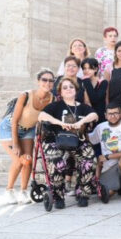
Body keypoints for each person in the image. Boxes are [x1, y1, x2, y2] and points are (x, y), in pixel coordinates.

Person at [38, 77, 99, 208]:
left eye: (71, 87)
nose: (68, 89)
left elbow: (94, 115)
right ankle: (58, 196)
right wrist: (60, 123)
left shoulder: (82, 107)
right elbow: (41, 116)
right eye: (65, 87)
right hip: (55, 140)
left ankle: (82, 193)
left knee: (89, 159)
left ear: (76, 90)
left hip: (76, 140)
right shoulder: (55, 106)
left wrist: (80, 122)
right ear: (60, 91)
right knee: (56, 162)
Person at [0, 69, 55, 204]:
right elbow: (14, 121)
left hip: (28, 130)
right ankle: (9, 190)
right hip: (9, 128)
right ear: (38, 81)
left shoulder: (51, 99)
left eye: (51, 80)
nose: (47, 83)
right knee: (19, 160)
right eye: (44, 80)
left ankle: (23, 192)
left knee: (28, 160)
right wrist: (16, 143)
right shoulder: (25, 95)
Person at [89, 102, 121, 199]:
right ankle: (119, 186)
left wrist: (108, 156)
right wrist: (79, 126)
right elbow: (89, 139)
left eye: (116, 113)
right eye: (110, 114)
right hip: (108, 167)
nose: (113, 116)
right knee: (104, 196)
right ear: (105, 115)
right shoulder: (101, 127)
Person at [81, 58, 108, 123]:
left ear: (96, 69)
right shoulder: (81, 82)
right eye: (84, 68)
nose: (86, 71)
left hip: (99, 116)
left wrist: (86, 81)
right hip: (85, 116)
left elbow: (95, 99)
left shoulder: (103, 82)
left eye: (90, 68)